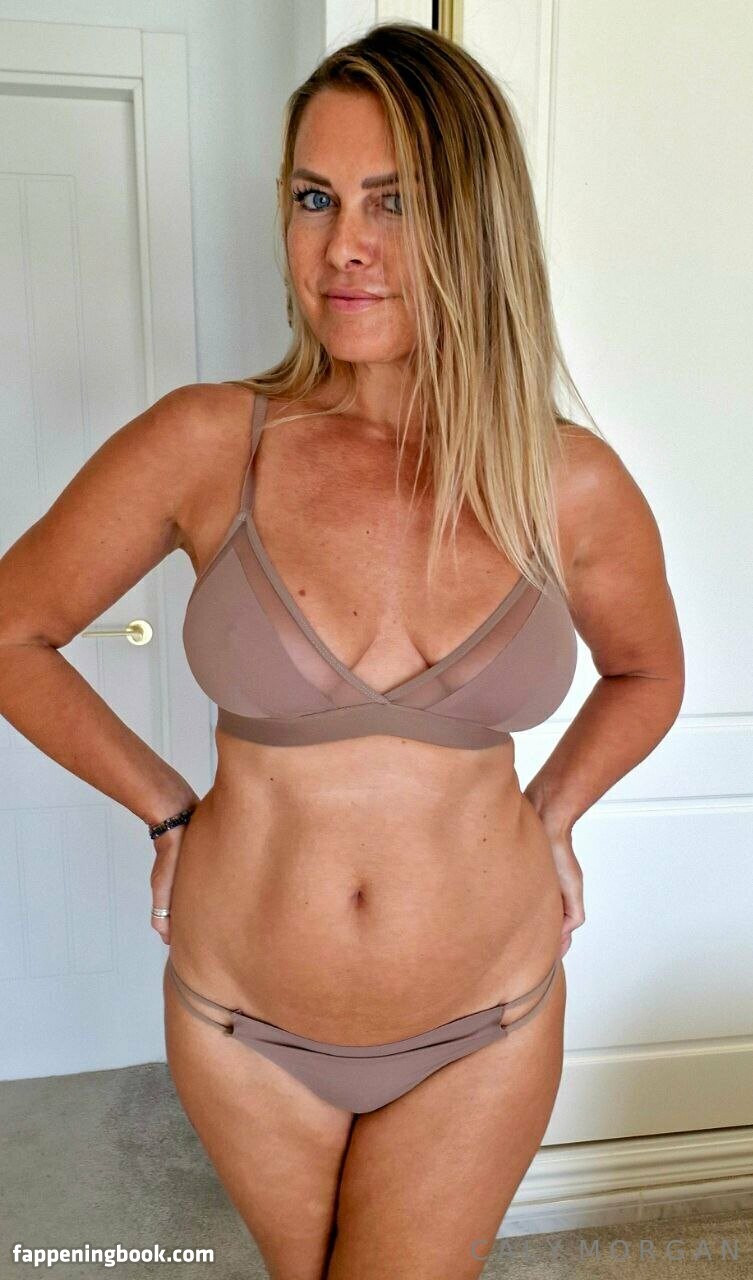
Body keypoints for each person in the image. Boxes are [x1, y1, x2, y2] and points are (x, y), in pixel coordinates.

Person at [0, 21, 684, 1280]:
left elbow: (648, 671)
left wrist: (552, 812)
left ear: (476, 225)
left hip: (486, 1015)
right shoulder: (210, 442)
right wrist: (165, 808)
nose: (343, 245)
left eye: (394, 202)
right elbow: (12, 630)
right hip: (240, 1022)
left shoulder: (565, 481)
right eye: (314, 197)